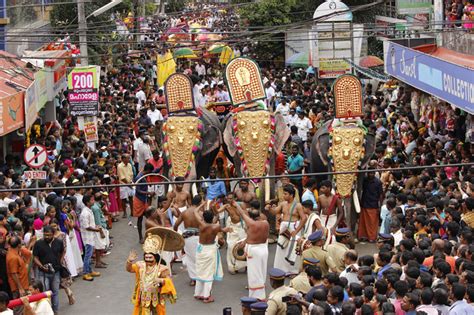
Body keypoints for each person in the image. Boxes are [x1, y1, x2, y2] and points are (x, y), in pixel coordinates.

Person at [126, 234, 176, 315]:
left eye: (150, 258)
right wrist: (129, 261)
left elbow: (168, 281)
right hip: (143, 297)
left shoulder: (162, 268)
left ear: (155, 257)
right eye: (146, 258)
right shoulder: (140, 265)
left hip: (157, 297)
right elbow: (129, 269)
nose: (148, 260)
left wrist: (161, 280)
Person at [193, 207, 232, 303]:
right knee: (208, 273)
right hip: (209, 250)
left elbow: (194, 211)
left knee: (200, 271)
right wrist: (226, 229)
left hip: (201, 250)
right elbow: (223, 229)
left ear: (203, 218)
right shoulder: (216, 227)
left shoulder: (201, 225)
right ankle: (206, 296)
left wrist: (202, 204)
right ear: (212, 218)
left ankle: (199, 293)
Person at [233, 200, 269, 299]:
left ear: (251, 217)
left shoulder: (252, 224)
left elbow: (242, 214)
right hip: (264, 248)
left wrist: (237, 205)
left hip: (255, 250)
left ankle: (258, 297)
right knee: (261, 271)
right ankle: (260, 292)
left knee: (254, 273)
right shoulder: (265, 222)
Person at [268, 184, 307, 273]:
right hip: (284, 228)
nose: (283, 196)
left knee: (293, 250)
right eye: (283, 194)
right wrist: (269, 208)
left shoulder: (298, 205)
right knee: (281, 249)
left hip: (294, 228)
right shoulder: (282, 204)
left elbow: (304, 218)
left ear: (291, 195)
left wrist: (296, 231)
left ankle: (293, 270)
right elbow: (274, 212)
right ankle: (281, 269)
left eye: (285, 194)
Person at [32, 225, 64, 314]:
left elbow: (62, 252)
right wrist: (41, 266)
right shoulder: (38, 243)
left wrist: (59, 262)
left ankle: (55, 311)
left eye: (49, 235)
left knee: (55, 292)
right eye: (45, 235)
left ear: (53, 235)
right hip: (43, 273)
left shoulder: (59, 242)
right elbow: (35, 257)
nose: (47, 237)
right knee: (46, 293)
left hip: (56, 272)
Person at [173, 195, 203, 286]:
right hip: (198, 237)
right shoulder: (200, 213)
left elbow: (176, 225)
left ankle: (193, 279)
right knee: (199, 258)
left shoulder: (185, 213)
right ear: (200, 203)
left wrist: (175, 235)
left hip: (188, 238)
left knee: (190, 258)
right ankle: (200, 277)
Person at [79, 194, 102, 281]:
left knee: (90, 254)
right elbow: (86, 226)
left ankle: (90, 270)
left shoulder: (89, 210)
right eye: (92, 200)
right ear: (87, 202)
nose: (93, 201)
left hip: (91, 236)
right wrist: (96, 229)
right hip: (87, 237)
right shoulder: (85, 213)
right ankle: (85, 273)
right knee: (87, 256)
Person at [6, 236, 31, 315]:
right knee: (19, 310)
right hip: (19, 288)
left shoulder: (14, 253)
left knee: (24, 308)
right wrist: (20, 288)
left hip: (22, 285)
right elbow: (14, 273)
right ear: (19, 245)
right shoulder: (13, 257)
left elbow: (29, 254)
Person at [358, 170, 383, 243]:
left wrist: (380, 205)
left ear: (374, 173)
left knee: (372, 223)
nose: (371, 174)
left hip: (373, 204)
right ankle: (363, 236)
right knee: (363, 222)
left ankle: (372, 237)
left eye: (372, 173)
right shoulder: (365, 180)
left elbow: (381, 194)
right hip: (364, 203)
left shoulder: (378, 182)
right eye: (369, 173)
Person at [133, 163, 156, 243]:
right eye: (150, 171)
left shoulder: (144, 175)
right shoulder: (139, 177)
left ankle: (151, 234)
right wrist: (148, 193)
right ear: (148, 170)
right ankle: (140, 237)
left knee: (149, 216)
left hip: (144, 200)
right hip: (139, 200)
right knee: (140, 219)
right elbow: (138, 190)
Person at [317, 180, 343, 247]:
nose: (321, 190)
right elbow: (318, 211)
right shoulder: (320, 198)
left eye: (323, 188)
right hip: (322, 218)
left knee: (332, 238)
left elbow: (341, 213)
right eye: (321, 188)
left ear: (329, 188)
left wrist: (334, 226)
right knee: (322, 237)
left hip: (332, 219)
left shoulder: (336, 198)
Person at [117, 154, 134, 220]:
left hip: (130, 182)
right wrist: (129, 184)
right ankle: (124, 212)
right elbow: (122, 178)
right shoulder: (120, 166)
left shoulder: (129, 165)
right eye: (127, 158)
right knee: (123, 199)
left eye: (129, 158)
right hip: (123, 184)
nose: (128, 159)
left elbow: (131, 174)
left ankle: (132, 211)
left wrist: (131, 183)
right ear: (123, 159)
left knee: (131, 198)